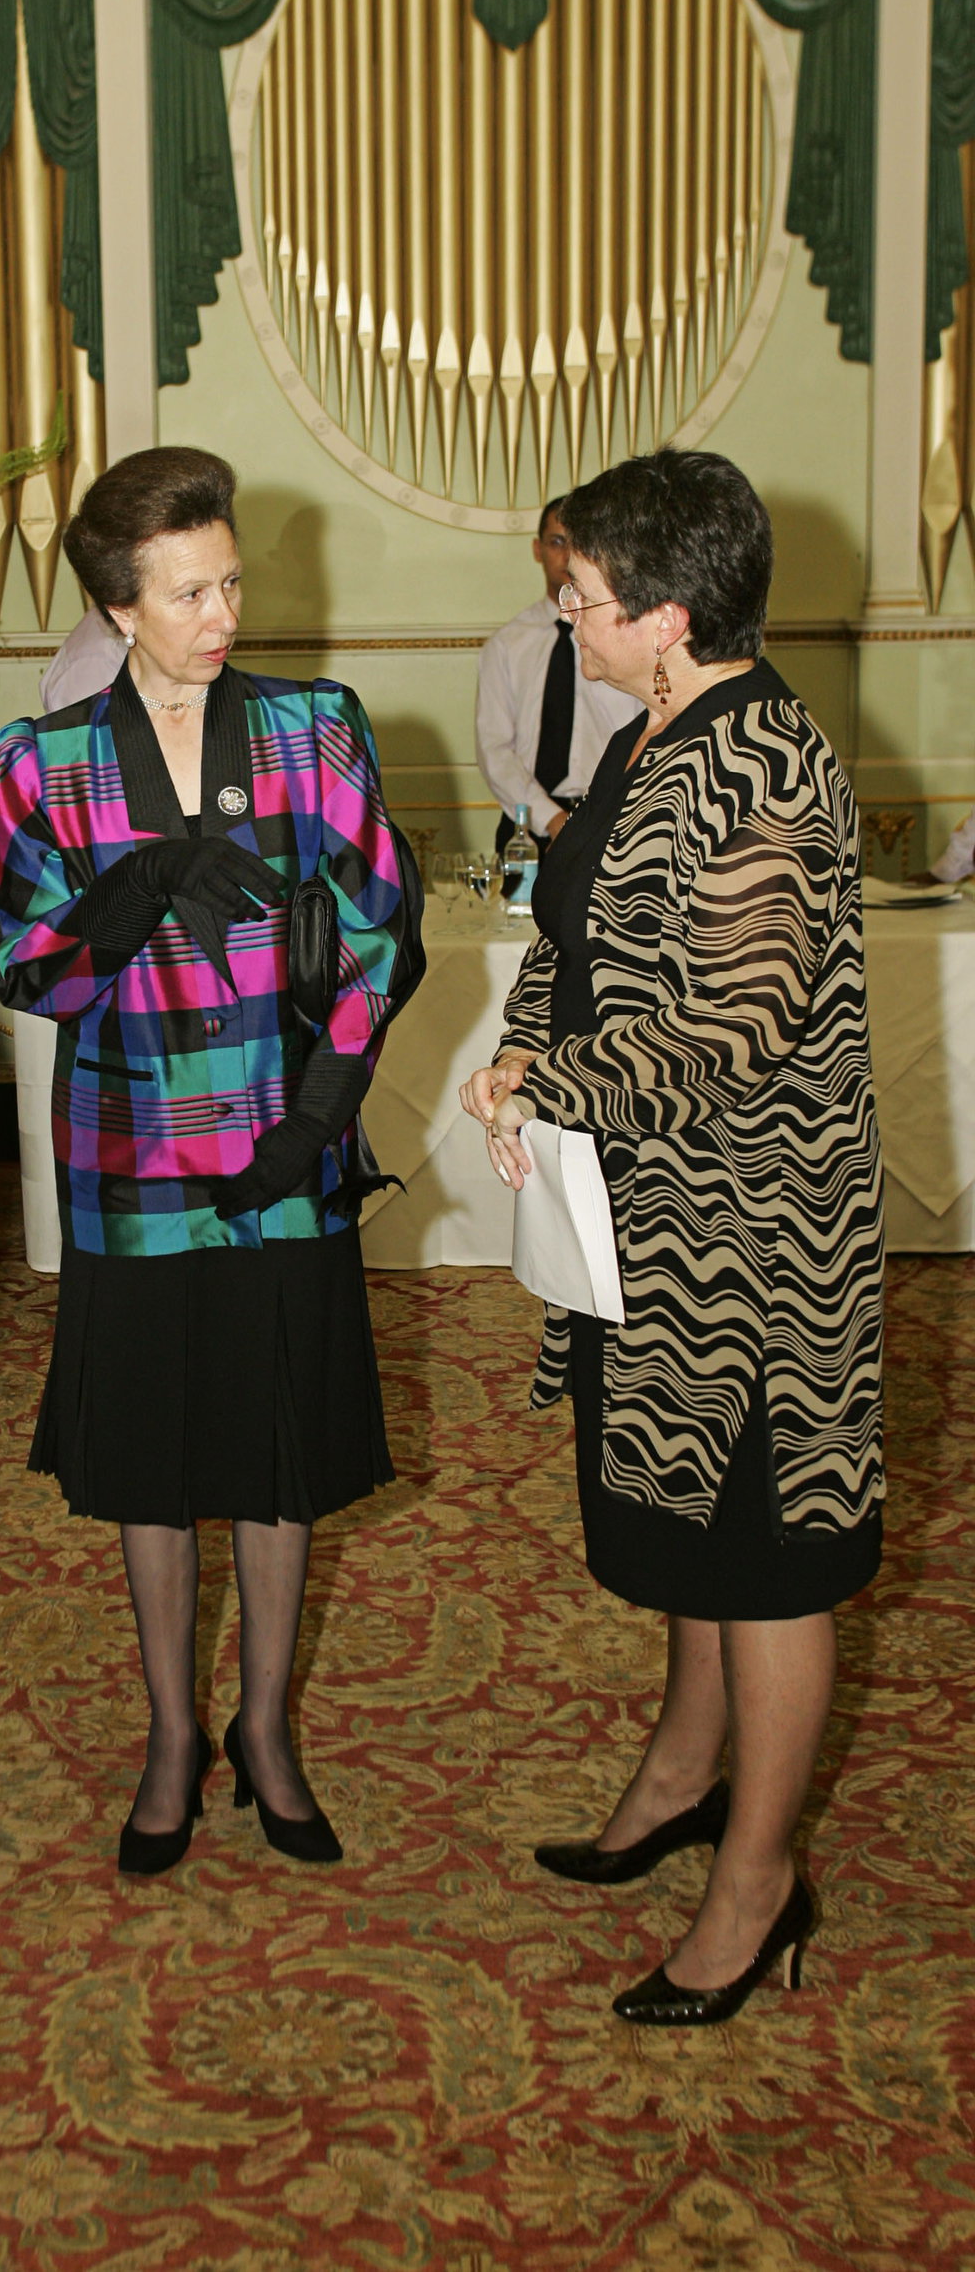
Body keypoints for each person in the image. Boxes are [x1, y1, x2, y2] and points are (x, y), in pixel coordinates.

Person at [461, 448, 883, 2028]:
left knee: (769, 1560)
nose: (561, 619)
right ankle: (682, 1773)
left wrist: (550, 1075)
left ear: (671, 613)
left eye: (582, 601)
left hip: (759, 1247)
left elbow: (738, 1022)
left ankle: (761, 1880)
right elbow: (569, 934)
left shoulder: (767, 763)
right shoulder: (649, 732)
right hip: (645, 1224)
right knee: (684, 1523)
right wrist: (522, 1046)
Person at [0, 447, 417, 1877]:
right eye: (189, 590)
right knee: (158, 1463)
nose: (222, 610)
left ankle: (267, 1726)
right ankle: (174, 1731)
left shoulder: (313, 727)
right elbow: (29, 973)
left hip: (284, 1144)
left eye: (231, 578)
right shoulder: (39, 762)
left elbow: (378, 930)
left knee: (281, 1450)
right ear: (117, 606)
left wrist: (313, 1115)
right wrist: (134, 889)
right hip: (134, 1158)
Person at [475, 496, 634, 859]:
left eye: (578, 542)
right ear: (538, 549)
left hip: (611, 819)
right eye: (557, 541)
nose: (566, 555)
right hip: (527, 826)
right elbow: (494, 750)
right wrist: (552, 819)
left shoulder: (627, 637)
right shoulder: (508, 644)